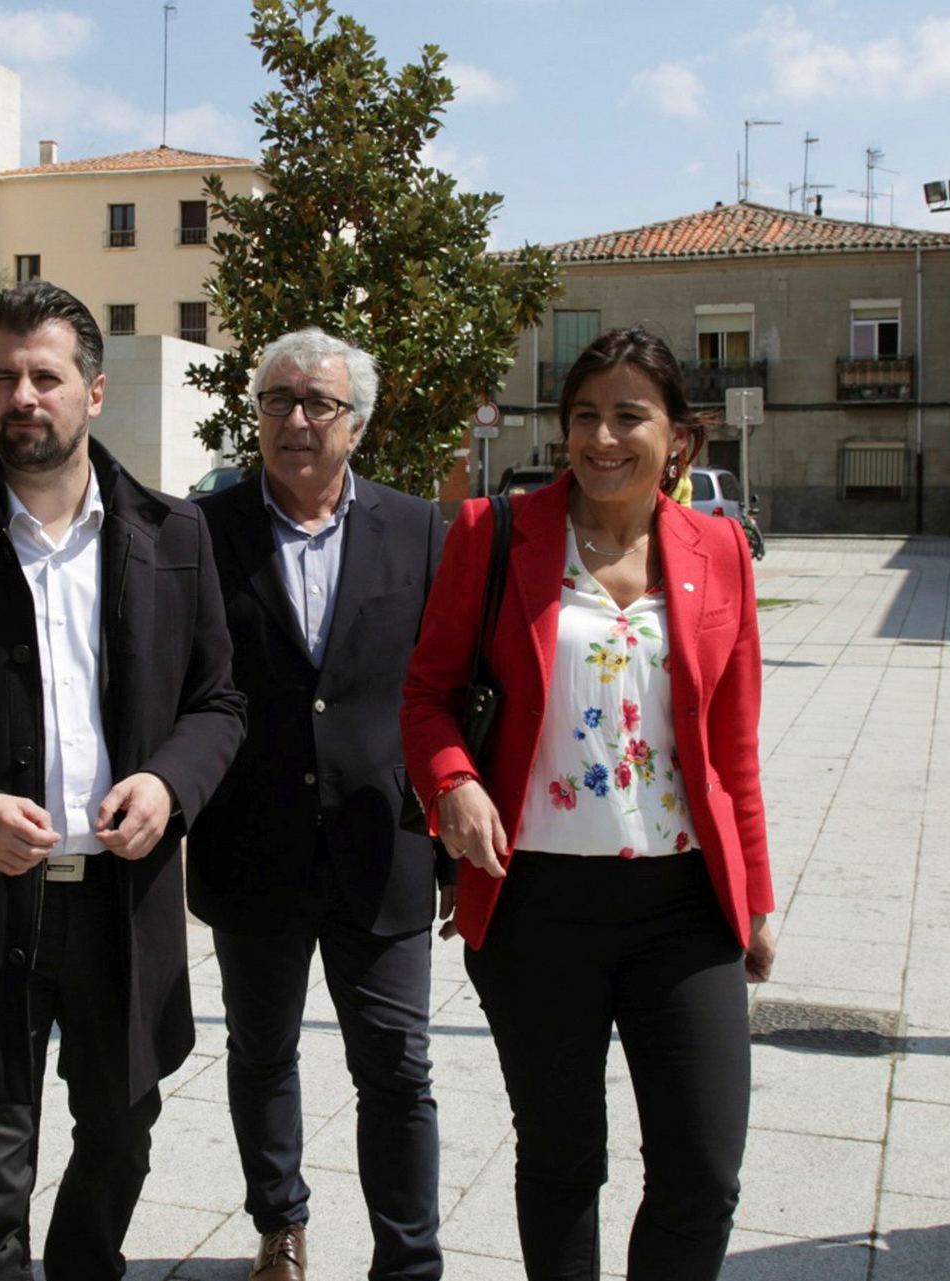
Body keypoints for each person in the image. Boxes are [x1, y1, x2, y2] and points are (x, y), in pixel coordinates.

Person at [0, 280, 245, 1280]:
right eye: (3, 377)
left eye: (45, 376)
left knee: (122, 1135)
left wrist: (169, 786)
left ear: (93, 392)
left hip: (122, 903)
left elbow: (219, 703)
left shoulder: (174, 534)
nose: (22, 396)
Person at [401, 325, 775, 1281]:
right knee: (563, 1159)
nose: (602, 437)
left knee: (703, 1171)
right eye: (584, 416)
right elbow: (427, 694)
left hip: (684, 906)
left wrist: (757, 899)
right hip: (537, 905)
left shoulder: (721, 549)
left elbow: (734, 749)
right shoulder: (494, 533)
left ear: (679, 437)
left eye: (628, 416)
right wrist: (454, 783)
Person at [189, 328, 448, 1281]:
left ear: (358, 424)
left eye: (318, 403)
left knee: (398, 1067)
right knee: (262, 1050)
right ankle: (281, 1226)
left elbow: (448, 688)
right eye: (277, 400)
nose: (295, 420)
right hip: (251, 843)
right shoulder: (201, 531)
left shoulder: (420, 530)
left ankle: (409, 1258)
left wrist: (454, 836)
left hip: (382, 844)